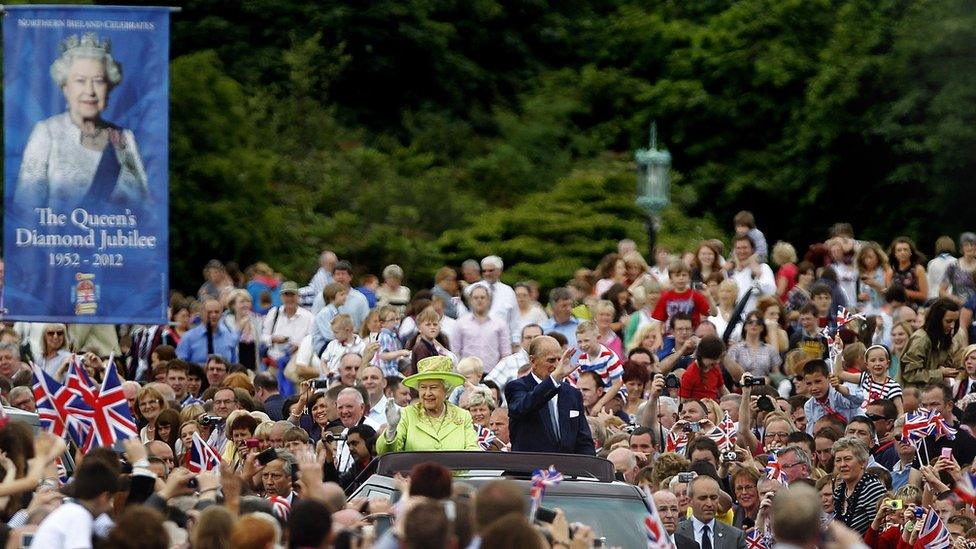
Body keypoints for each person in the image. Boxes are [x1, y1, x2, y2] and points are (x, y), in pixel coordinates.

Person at [15, 32, 147, 208]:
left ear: (108, 88)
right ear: (65, 88)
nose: (90, 91)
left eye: (98, 81)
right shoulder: (47, 132)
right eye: (80, 81)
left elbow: (144, 207)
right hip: (59, 235)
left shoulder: (124, 138)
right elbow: (26, 206)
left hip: (114, 235)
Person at [506, 335, 595, 455]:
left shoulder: (572, 394)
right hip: (529, 470)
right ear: (533, 361)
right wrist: (553, 380)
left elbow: (584, 441)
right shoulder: (517, 387)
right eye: (551, 360)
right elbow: (523, 408)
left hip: (567, 469)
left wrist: (586, 470)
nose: (557, 365)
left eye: (560, 359)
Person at [377, 356, 481, 453]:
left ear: (446, 390)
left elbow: (473, 451)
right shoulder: (407, 414)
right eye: (423, 387)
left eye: (433, 387)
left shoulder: (462, 416)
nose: (427, 393)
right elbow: (386, 453)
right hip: (417, 473)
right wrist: (391, 430)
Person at [31, 457, 120, 548]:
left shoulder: (72, 511)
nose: (111, 506)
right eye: (111, 499)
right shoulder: (78, 516)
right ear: (104, 497)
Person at [831, 436, 886, 535]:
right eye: (838, 460)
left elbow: (880, 531)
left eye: (847, 459)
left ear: (863, 462)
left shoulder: (873, 489)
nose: (842, 464)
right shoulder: (839, 491)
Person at [901, 297, 961, 386]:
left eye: (955, 321)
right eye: (948, 321)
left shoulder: (943, 338)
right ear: (937, 319)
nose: (952, 326)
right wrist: (940, 373)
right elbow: (909, 374)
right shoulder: (921, 339)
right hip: (917, 394)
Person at [674, 475, 746, 549]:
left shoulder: (735, 536)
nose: (709, 504)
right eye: (703, 498)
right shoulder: (674, 534)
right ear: (690, 501)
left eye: (713, 498)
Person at [452, 285, 510, 372]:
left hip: (492, 374)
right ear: (470, 301)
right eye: (476, 298)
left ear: (489, 300)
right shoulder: (460, 323)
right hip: (468, 374)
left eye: (482, 297)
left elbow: (506, 354)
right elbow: (455, 352)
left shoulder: (500, 323)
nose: (479, 300)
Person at [260, 281, 313, 364]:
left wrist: (300, 346)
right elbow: (263, 336)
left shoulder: (308, 316)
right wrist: (273, 339)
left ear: (298, 297)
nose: (289, 298)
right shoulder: (274, 312)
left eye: (292, 295)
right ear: (281, 297)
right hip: (274, 361)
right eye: (286, 295)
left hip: (296, 363)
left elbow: (311, 340)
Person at [176, 299, 238, 364]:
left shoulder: (228, 337)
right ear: (201, 314)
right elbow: (180, 365)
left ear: (221, 314)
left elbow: (234, 365)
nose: (213, 315)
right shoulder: (188, 338)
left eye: (216, 312)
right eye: (209, 312)